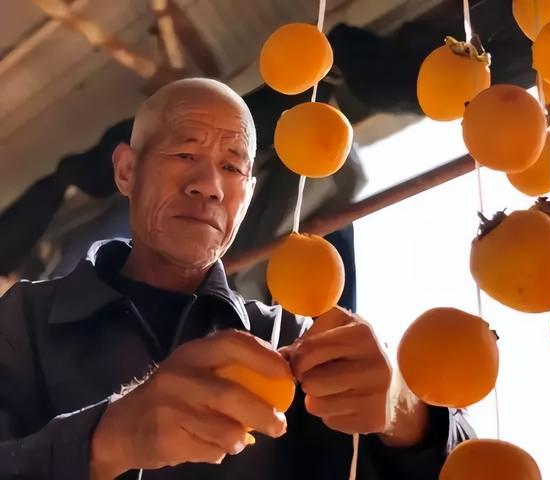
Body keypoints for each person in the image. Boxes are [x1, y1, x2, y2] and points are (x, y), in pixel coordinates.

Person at [0, 78, 469, 479]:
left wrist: (404, 410)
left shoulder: (289, 341)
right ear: (126, 170)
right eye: (184, 153)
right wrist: (108, 439)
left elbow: (473, 463)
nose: (209, 185)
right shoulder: (23, 320)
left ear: (247, 194)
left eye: (231, 166)